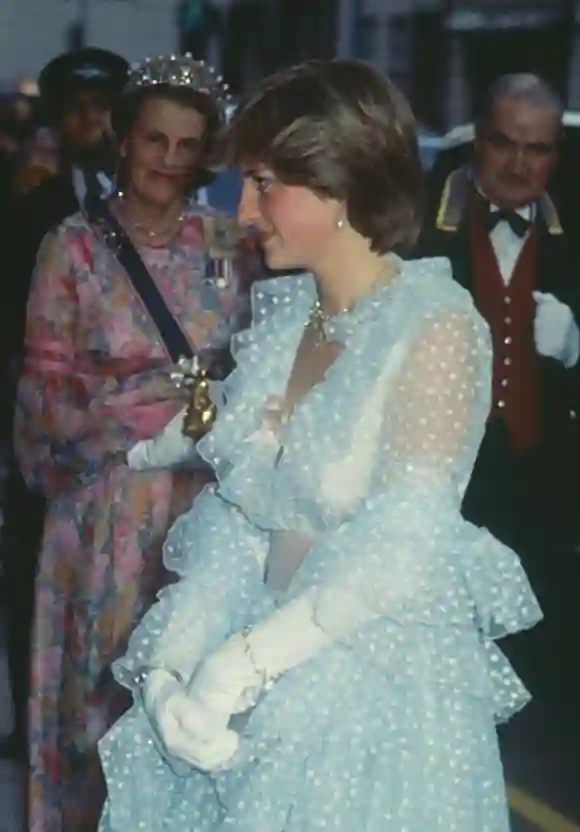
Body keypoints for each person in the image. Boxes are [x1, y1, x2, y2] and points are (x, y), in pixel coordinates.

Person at [97, 59, 540, 831]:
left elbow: (402, 549)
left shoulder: (434, 326)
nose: (244, 209)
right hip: (254, 670)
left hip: (371, 698)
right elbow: (241, 516)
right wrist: (174, 665)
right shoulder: (285, 319)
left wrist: (244, 663)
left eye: (265, 183)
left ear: (340, 181)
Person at [15, 54, 258, 831]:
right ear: (123, 140)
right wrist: (146, 413)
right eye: (156, 140)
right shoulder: (73, 247)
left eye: (189, 146)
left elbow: (262, 365)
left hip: (205, 517)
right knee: (104, 709)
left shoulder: (228, 244)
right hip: (104, 516)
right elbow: (42, 398)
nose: (170, 162)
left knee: (193, 710)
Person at [412, 73, 580, 733]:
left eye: (536, 149)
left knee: (528, 699)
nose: (518, 165)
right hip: (441, 492)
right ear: (478, 143)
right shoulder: (422, 225)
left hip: (540, 498)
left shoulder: (575, 236)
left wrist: (576, 347)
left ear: (555, 156)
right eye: (505, 144)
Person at [0, 48, 130, 762]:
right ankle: (33, 718)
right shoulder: (25, 192)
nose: (91, 118)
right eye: (77, 106)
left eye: (103, 103)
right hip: (43, 410)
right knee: (33, 564)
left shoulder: (144, 186)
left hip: (126, 411)